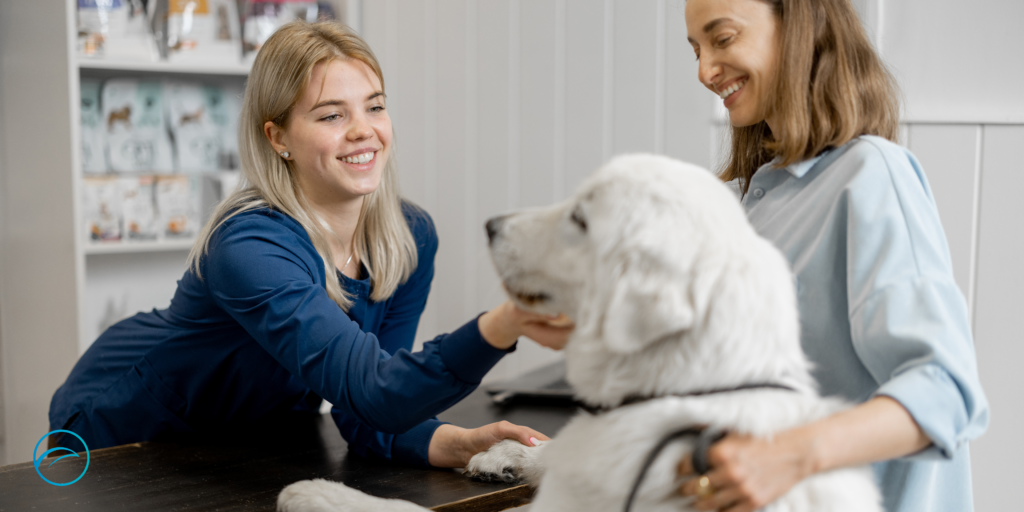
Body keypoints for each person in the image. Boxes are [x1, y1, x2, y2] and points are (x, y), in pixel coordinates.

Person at [49, 21, 572, 469]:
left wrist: (458, 444)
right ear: (278, 139)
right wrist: (504, 323)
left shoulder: (409, 237)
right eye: (331, 115)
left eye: (375, 107)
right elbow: (375, 390)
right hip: (120, 432)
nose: (364, 132)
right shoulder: (247, 245)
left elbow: (367, 409)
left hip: (252, 441)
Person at [678, 0, 988, 511]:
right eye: (695, 50)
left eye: (723, 39)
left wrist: (792, 455)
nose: (705, 71)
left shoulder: (871, 175)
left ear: (797, 26)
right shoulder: (759, 199)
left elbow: (946, 389)